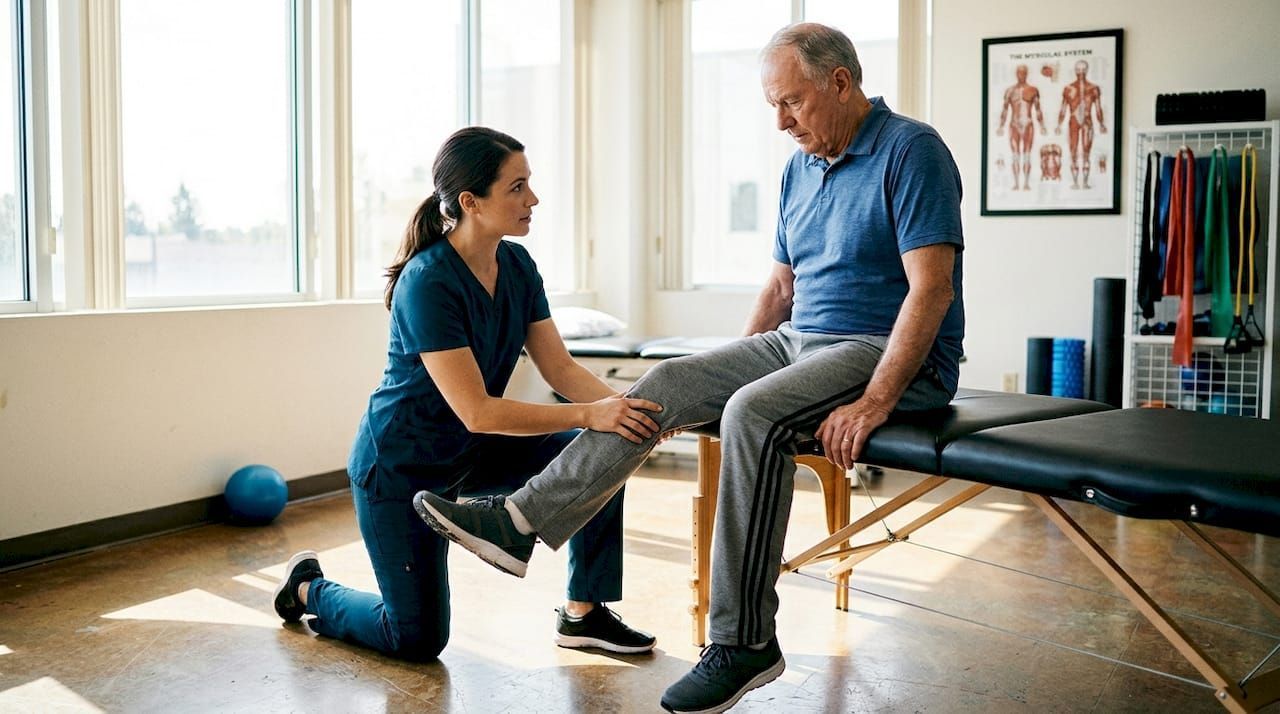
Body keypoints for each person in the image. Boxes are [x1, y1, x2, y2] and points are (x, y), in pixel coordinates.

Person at [415, 22, 964, 713]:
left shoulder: (911, 151)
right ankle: (520, 522)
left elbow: (931, 289)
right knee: (672, 381)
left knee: (753, 412)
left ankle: (743, 641)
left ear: (840, 82)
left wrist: (875, 401)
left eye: (791, 102)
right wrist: (730, 369)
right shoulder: (799, 168)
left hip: (880, 349)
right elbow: (781, 289)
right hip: (800, 341)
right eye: (772, 106)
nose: (781, 122)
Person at [270, 126, 661, 661]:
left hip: (472, 454)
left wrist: (629, 412)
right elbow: (477, 411)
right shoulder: (427, 280)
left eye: (529, 184)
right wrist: (591, 414)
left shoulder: (517, 266)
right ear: (471, 202)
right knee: (416, 638)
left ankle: (584, 613)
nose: (533, 199)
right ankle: (309, 589)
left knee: (602, 450)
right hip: (402, 466)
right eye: (517, 187)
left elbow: (560, 367)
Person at [1055, 59, 1107, 189]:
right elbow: (1063, 108)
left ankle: (1084, 182)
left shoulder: (1093, 89)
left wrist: (1101, 123)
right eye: (1078, 70)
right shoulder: (1068, 89)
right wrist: (1059, 124)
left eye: (1083, 70)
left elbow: (1098, 108)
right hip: (1073, 121)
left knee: (1086, 152)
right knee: (1073, 151)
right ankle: (1075, 182)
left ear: (1087, 70)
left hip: (1087, 121)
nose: (1081, 72)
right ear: (1075, 71)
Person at [996, 64, 1046, 190]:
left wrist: (1042, 125)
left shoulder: (1033, 90)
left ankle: (1026, 183)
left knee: (1027, 155)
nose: (1021, 75)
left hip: (1028, 123)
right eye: (1019, 72)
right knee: (1015, 155)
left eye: (1023, 72)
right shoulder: (1010, 91)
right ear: (1016, 74)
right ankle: (1016, 183)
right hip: (1014, 124)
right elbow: (1005, 110)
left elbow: (1038, 109)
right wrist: (1001, 126)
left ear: (1027, 74)